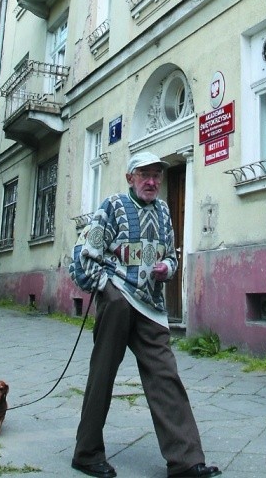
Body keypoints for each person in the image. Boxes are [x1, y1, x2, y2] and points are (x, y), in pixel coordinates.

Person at [71, 151, 221, 478]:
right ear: (130, 178)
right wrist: (106, 287)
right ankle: (86, 452)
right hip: (118, 299)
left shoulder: (165, 211)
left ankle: (185, 461)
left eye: (156, 176)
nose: (151, 182)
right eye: (144, 175)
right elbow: (87, 255)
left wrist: (167, 267)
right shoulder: (112, 206)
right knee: (103, 374)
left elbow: (171, 257)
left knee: (166, 375)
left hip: (151, 306)